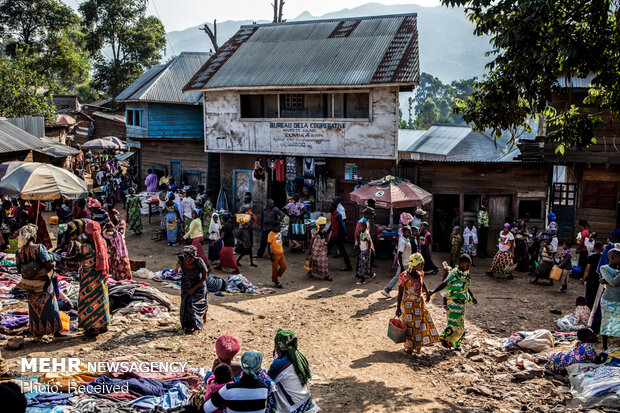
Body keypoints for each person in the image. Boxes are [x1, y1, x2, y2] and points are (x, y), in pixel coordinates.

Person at [15, 224, 63, 338]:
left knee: (34, 308)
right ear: (33, 235)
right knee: (50, 306)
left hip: (30, 285)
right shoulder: (39, 248)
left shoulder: (19, 252)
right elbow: (49, 265)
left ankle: (37, 332)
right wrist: (55, 261)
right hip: (43, 284)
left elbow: (18, 269)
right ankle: (56, 332)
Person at [429, 254, 478, 349]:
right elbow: (444, 284)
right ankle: (445, 339)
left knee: (459, 324)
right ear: (460, 263)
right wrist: (433, 291)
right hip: (453, 301)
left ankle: (451, 342)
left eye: (469, 265)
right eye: (467, 264)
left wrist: (472, 297)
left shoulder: (465, 273)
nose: (468, 267)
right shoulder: (454, 273)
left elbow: (466, 286)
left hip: (461, 301)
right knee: (455, 323)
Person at [395, 253, 439, 354]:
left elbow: (422, 283)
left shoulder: (420, 273)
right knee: (409, 327)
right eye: (420, 264)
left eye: (422, 264)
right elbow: (400, 293)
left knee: (419, 325)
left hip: (419, 304)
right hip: (408, 306)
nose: (422, 266)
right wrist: (398, 308)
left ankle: (418, 345)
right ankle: (409, 347)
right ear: (413, 264)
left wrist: (427, 292)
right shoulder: (404, 276)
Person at [268, 330, 320, 413]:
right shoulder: (299, 356)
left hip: (295, 407)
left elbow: (267, 382)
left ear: (278, 346)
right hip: (306, 400)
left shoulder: (279, 364)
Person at [202, 351, 269, 413]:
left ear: (243, 365)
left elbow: (205, 409)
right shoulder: (264, 389)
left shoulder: (229, 389)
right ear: (258, 368)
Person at [76, 221, 111, 337]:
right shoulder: (103, 243)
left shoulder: (85, 247)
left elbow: (78, 256)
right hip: (100, 276)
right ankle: (103, 324)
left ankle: (92, 328)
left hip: (88, 277)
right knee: (101, 298)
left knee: (88, 300)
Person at [178, 245, 209, 335]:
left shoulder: (199, 262)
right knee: (184, 305)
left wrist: (193, 289)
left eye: (190, 259)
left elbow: (204, 277)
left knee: (194, 305)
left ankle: (198, 327)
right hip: (186, 285)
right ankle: (185, 326)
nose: (188, 261)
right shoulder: (181, 260)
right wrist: (176, 270)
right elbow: (178, 265)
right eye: (186, 259)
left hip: (198, 286)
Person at [382, 226, 412, 298]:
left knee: (402, 277)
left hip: (406, 262)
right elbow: (400, 254)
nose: (410, 233)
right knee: (400, 277)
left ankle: (388, 290)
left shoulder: (406, 239)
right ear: (404, 232)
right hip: (404, 263)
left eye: (410, 231)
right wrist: (401, 266)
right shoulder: (403, 242)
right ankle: (387, 290)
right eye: (408, 231)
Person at [599, 248, 620, 350]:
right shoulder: (604, 268)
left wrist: (606, 281)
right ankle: (604, 347)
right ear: (612, 258)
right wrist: (609, 281)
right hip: (608, 301)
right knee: (606, 323)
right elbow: (613, 282)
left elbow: (611, 281)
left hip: (618, 301)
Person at [327, 202, 352, 271]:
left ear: (334, 208)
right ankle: (349, 266)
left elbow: (342, 226)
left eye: (330, 206)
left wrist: (343, 235)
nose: (329, 207)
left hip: (337, 237)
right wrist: (327, 231)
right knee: (343, 252)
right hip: (335, 236)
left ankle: (320, 264)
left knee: (327, 250)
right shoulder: (333, 214)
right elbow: (332, 225)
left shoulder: (338, 215)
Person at [307, 216, 331, 281]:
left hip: (323, 248)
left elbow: (326, 238)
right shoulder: (314, 231)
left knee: (324, 262)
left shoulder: (325, 229)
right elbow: (312, 240)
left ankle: (326, 276)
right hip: (315, 248)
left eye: (324, 224)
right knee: (314, 261)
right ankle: (310, 271)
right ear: (319, 224)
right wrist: (309, 249)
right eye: (322, 224)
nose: (324, 226)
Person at [583, 241, 604, 308]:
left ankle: (589, 308)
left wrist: (584, 278)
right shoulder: (603, 258)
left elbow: (587, 269)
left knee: (590, 295)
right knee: (597, 295)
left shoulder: (591, 257)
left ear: (594, 248)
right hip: (600, 279)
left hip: (591, 279)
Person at [355, 220, 374, 285]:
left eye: (360, 227)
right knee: (365, 265)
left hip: (365, 251)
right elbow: (360, 241)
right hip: (362, 251)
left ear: (364, 227)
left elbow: (369, 243)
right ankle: (372, 274)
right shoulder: (361, 233)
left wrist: (367, 253)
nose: (359, 228)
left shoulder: (366, 234)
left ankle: (362, 280)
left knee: (362, 265)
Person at [268, 222, 286, 289]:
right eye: (279, 227)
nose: (280, 228)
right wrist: (271, 256)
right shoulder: (271, 234)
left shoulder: (279, 233)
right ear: (275, 227)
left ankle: (275, 276)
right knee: (275, 268)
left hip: (281, 253)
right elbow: (268, 246)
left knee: (284, 266)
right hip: (274, 254)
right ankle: (276, 282)